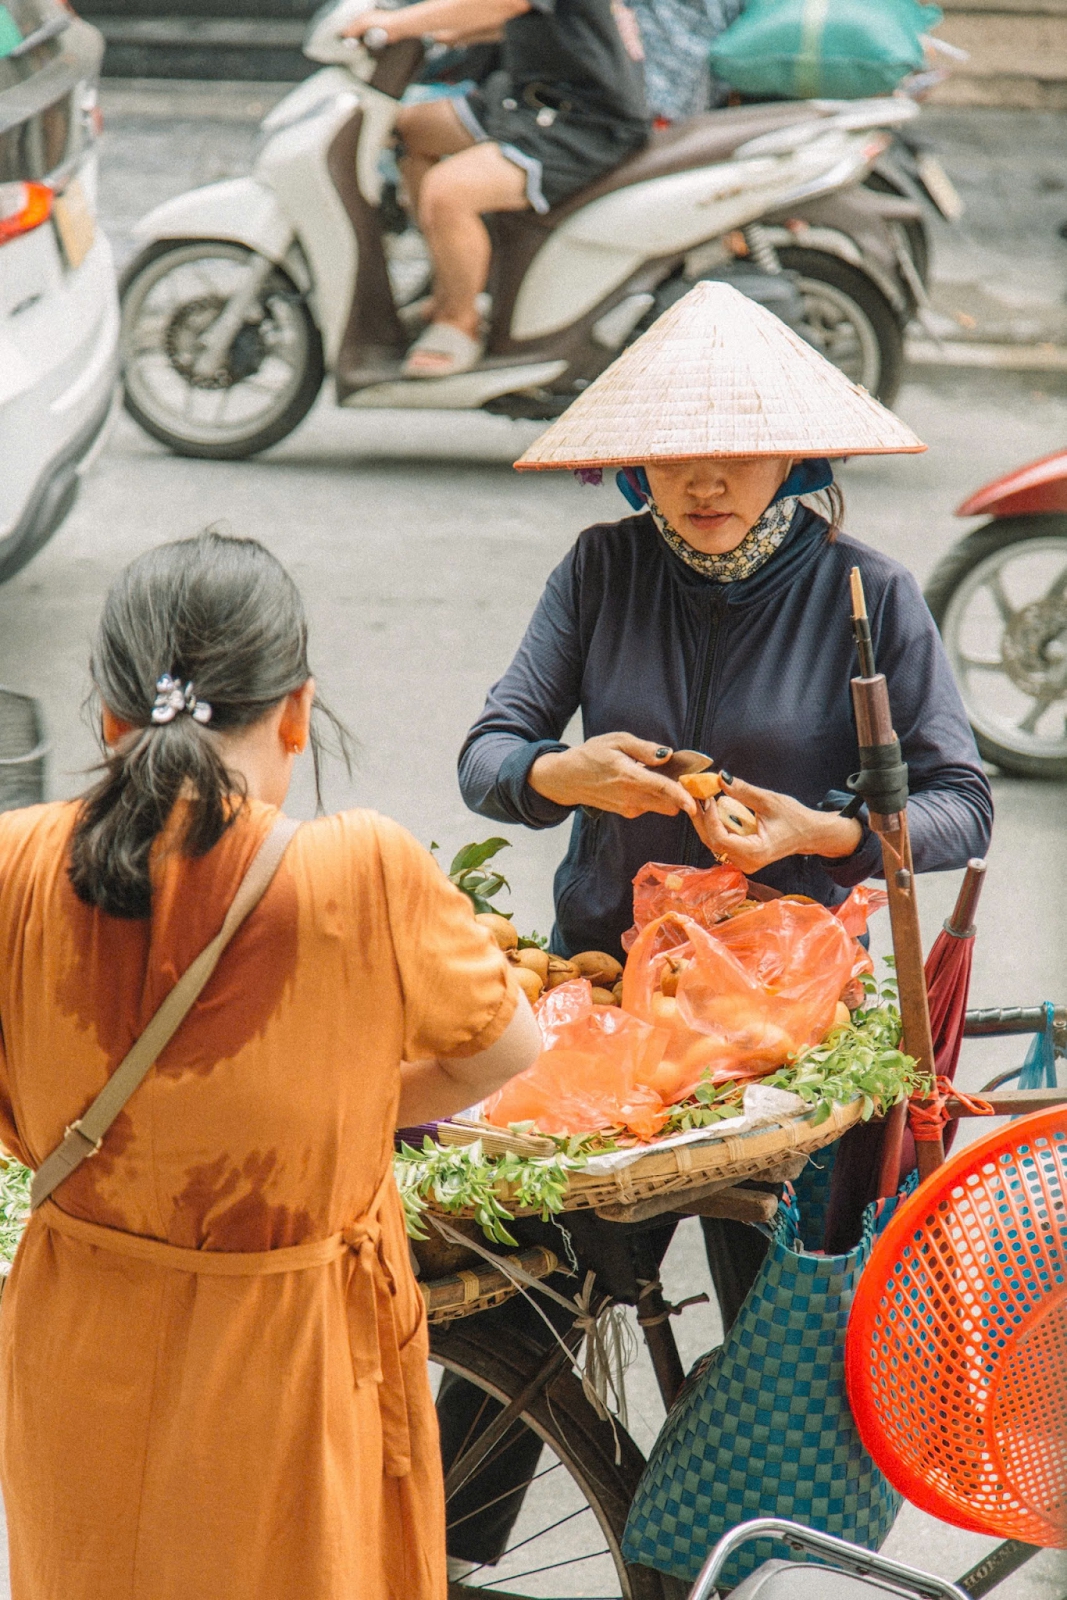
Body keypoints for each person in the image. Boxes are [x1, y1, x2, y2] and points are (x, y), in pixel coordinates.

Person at [443, 281, 993, 1576]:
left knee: (773, 1336)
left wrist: (822, 835)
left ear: (792, 455)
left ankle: (745, 1554)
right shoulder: (600, 571)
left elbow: (961, 804)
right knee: (533, 1288)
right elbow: (487, 753)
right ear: (632, 462)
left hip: (783, 1035)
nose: (703, 480)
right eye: (674, 455)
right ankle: (446, 1552)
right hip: (622, 1010)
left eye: (734, 453)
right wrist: (552, 778)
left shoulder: (867, 593)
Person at [0, 530, 541, 1600]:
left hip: (78, 1346)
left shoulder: (13, 863)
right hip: (288, 1360)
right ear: (295, 711)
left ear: (109, 719)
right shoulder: (360, 872)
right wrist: (332, 1114)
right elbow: (510, 1046)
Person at [344, 0, 649, 376]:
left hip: (581, 119)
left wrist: (396, 23)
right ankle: (453, 284)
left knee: (448, 192)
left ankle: (459, 322)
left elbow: (506, 2)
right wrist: (448, 27)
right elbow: (526, 20)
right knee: (411, 128)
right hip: (524, 100)